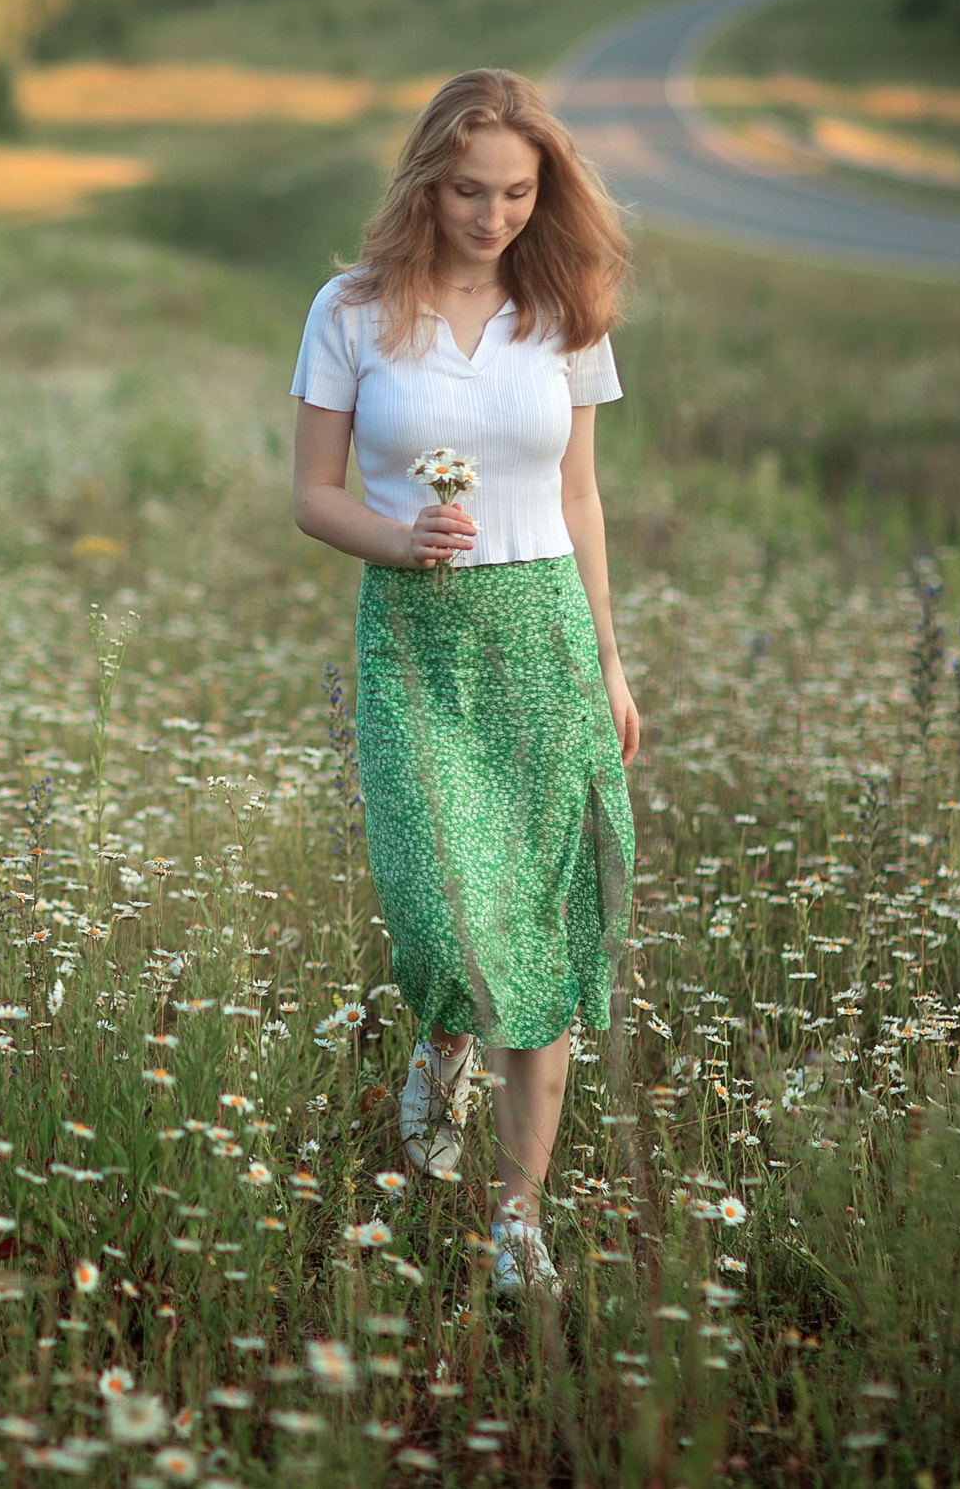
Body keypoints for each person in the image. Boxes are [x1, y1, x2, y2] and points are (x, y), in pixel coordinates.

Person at [289, 68, 640, 1299]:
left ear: (542, 194)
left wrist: (608, 664)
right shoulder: (348, 310)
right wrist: (400, 538)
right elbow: (313, 496)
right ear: (424, 181)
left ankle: (516, 1226)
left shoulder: (565, 311)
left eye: (515, 192)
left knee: (538, 938)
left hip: (542, 637)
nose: (491, 215)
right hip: (414, 642)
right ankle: (439, 1038)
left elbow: (581, 496)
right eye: (466, 190)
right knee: (442, 912)